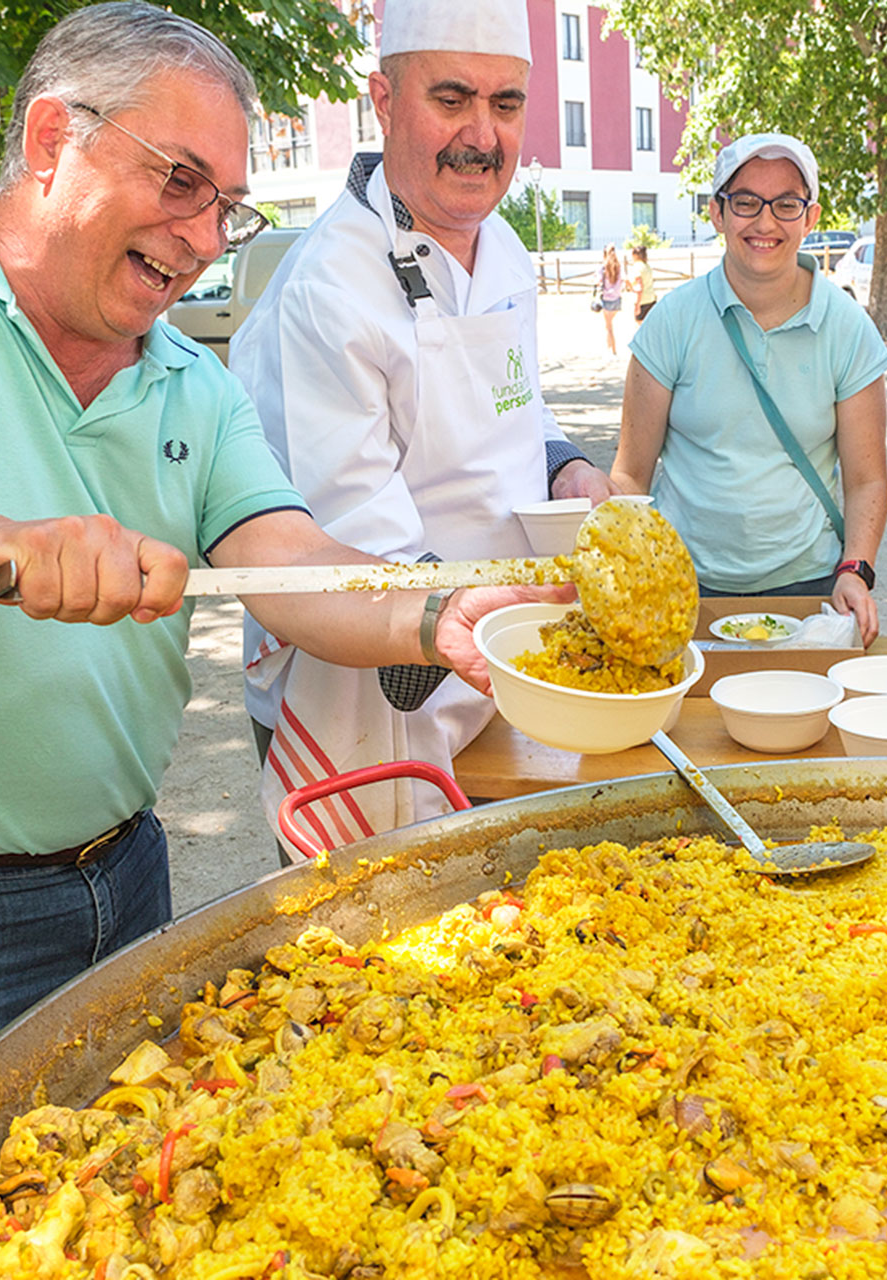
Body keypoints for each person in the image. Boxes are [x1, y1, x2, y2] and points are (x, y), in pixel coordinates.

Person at [0, 2, 555, 1163]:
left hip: (128, 873)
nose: (201, 236)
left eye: (226, 206)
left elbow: (290, 559)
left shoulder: (193, 380)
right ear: (53, 138)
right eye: (180, 180)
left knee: (130, 1191)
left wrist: (437, 613)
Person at [231, 0, 615, 854]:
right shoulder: (331, 286)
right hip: (374, 682)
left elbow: (515, 401)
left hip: (496, 667)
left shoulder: (503, 246)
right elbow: (350, 544)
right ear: (384, 100)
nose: (482, 135)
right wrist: (490, 623)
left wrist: (566, 467)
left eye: (506, 104)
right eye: (452, 99)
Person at [608, 133, 887, 643]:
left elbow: (867, 479)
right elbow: (630, 473)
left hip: (808, 587)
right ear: (717, 213)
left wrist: (856, 570)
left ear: (810, 217)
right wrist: (624, 566)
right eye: (745, 202)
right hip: (681, 585)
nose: (765, 222)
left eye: (786, 204)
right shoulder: (670, 322)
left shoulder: (848, 328)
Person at [599, 242, 625, 353]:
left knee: (609, 327)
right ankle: (610, 348)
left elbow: (598, 281)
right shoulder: (619, 267)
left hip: (607, 299)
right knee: (609, 325)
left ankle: (612, 350)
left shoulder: (603, 267)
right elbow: (624, 279)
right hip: (617, 298)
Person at [630, 243, 657, 322]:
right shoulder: (647, 266)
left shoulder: (637, 266)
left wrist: (637, 304)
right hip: (651, 298)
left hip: (642, 300)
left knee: (640, 324)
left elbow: (639, 286)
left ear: (635, 255)